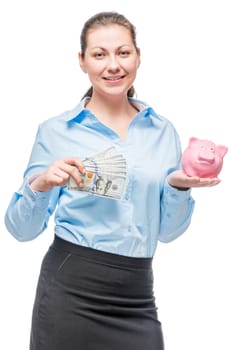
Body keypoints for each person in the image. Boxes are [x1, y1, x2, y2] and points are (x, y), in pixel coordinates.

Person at [4, 11, 220, 350]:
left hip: (137, 294)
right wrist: (41, 184)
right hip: (69, 291)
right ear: (82, 61)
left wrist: (178, 186)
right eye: (99, 54)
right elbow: (20, 230)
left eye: (123, 52)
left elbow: (168, 232)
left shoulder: (162, 131)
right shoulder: (56, 131)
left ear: (137, 56)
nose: (113, 65)